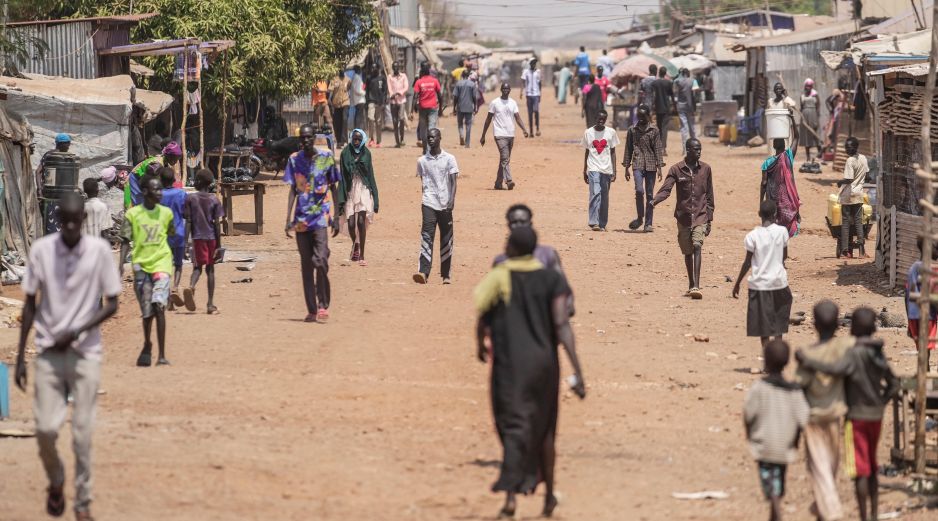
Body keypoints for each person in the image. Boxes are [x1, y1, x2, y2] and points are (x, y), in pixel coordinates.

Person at [13, 192, 120, 521]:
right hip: (47, 353)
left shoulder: (99, 252)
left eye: (77, 222)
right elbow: (30, 304)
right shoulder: (42, 251)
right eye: (66, 222)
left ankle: (83, 501)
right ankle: (57, 479)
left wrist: (75, 332)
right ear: (59, 221)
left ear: (84, 221)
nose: (72, 227)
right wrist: (19, 356)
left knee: (82, 433)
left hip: (85, 353)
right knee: (45, 429)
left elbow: (112, 303)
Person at [474, 225, 585, 519]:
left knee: (513, 427)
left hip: (511, 365)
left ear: (512, 248)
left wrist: (480, 344)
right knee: (546, 430)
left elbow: (481, 309)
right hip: (545, 364)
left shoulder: (500, 276)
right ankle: (548, 496)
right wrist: (578, 371)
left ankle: (511, 496)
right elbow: (562, 324)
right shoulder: (551, 279)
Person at [796, 308, 900, 521]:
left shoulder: (853, 354)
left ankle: (862, 515)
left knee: (860, 469)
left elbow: (835, 369)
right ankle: (872, 513)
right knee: (872, 464)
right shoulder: (876, 353)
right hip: (876, 416)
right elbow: (894, 383)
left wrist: (808, 360)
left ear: (852, 329)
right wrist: (881, 402)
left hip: (856, 416)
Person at [794, 300, 851, 521]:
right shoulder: (842, 349)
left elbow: (800, 387)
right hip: (836, 417)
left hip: (814, 420)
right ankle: (824, 507)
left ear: (814, 324)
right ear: (838, 325)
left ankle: (831, 511)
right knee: (831, 467)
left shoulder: (808, 355)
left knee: (819, 469)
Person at [743, 339, 810, 521]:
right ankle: (775, 511)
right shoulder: (795, 391)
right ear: (787, 362)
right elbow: (803, 419)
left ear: (765, 361)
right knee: (779, 480)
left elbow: (748, 414)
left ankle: (776, 511)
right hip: (785, 446)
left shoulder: (759, 388)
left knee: (770, 486)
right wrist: (796, 441)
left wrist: (749, 435)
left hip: (764, 445)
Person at [284, 124, 341, 323]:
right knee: (307, 265)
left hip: (321, 218)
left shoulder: (326, 158)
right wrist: (287, 219)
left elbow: (334, 187)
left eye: (309, 137)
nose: (306, 141)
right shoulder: (293, 160)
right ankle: (312, 309)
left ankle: (323, 304)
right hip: (301, 220)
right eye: (303, 138)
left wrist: (337, 217)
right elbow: (293, 190)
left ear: (314, 138)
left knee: (321, 260)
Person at [120, 176, 175, 367]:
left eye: (161, 189)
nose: (160, 193)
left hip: (162, 264)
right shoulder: (133, 215)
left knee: (159, 306)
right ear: (144, 192)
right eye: (156, 190)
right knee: (147, 311)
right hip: (141, 266)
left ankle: (161, 355)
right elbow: (126, 240)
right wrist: (120, 264)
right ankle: (147, 343)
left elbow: (170, 234)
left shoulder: (166, 213)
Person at [652, 138, 714, 299]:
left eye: (700, 149)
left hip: (701, 215)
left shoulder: (706, 169)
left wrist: (710, 219)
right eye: (696, 149)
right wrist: (654, 201)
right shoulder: (676, 170)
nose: (699, 152)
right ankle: (691, 283)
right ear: (688, 149)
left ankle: (696, 286)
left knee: (697, 245)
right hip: (683, 217)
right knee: (687, 252)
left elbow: (709, 196)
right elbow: (666, 190)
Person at [492, 204, 574, 316]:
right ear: (508, 225)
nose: (518, 226)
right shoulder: (501, 261)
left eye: (523, 222)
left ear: (530, 223)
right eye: (514, 222)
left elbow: (564, 290)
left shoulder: (547, 255)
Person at [732, 200, 792, 349]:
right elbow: (784, 256)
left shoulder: (752, 236)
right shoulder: (782, 232)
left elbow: (747, 262)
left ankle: (767, 359)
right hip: (779, 283)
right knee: (778, 327)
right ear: (775, 215)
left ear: (759, 214)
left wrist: (738, 283)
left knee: (763, 329)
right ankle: (777, 358)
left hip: (759, 286)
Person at [414, 128, 458, 285]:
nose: (430, 139)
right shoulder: (422, 161)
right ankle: (423, 272)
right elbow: (423, 182)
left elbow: (453, 182)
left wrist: (451, 200)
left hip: (445, 204)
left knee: (446, 239)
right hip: (428, 203)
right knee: (427, 236)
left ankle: (446, 274)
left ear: (440, 138)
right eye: (428, 137)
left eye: (433, 137)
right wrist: (426, 196)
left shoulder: (449, 159)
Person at [183, 169, 224, 314]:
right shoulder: (214, 200)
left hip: (197, 238)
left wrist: (184, 243)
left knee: (197, 267)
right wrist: (219, 246)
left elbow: (188, 221)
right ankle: (210, 304)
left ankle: (191, 286)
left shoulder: (191, 199)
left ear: (199, 182)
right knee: (210, 270)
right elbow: (217, 224)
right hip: (211, 238)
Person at [338, 129, 379, 267]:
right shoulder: (345, 153)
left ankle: (362, 254)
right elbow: (343, 176)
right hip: (350, 190)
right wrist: (340, 198)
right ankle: (355, 244)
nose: (356, 142)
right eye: (354, 139)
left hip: (363, 189)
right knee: (350, 224)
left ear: (363, 140)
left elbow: (371, 175)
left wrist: (376, 197)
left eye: (358, 140)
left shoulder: (367, 153)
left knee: (361, 221)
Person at [623, 104, 664, 233]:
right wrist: (626, 167)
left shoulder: (654, 130)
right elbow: (628, 148)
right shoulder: (632, 130)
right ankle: (640, 217)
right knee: (639, 191)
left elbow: (657, 149)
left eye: (643, 116)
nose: (640, 118)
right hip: (637, 163)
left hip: (651, 165)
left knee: (650, 194)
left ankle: (648, 223)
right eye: (638, 116)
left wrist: (659, 167)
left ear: (648, 116)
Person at [480, 82, 529, 191]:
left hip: (510, 134)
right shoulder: (495, 103)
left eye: (507, 89)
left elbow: (517, 117)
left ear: (510, 90)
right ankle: (509, 180)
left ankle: (498, 183)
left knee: (504, 159)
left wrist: (524, 129)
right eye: (504, 89)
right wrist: (483, 135)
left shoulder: (513, 103)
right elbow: (488, 119)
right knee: (505, 158)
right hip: (499, 134)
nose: (505, 90)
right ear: (501, 90)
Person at [580, 109, 619, 232]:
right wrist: (584, 170)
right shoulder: (588, 133)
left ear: (606, 119)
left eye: (603, 119)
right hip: (593, 168)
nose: (601, 121)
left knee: (604, 196)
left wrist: (615, 170)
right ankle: (593, 222)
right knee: (595, 193)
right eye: (599, 119)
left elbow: (613, 152)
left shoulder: (611, 132)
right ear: (595, 118)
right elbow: (587, 151)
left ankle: (602, 223)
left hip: (607, 169)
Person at [760, 125, 801, 238]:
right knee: (787, 222)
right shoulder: (788, 156)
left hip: (773, 199)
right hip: (787, 198)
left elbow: (764, 183)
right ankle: (783, 246)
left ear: (773, 146)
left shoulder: (767, 163)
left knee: (773, 223)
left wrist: (761, 202)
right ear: (784, 145)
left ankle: (774, 247)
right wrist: (792, 119)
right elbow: (797, 137)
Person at [157, 167, 188, 308]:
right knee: (178, 264)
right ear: (174, 180)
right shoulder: (181, 194)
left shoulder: (158, 195)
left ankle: (168, 295)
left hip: (163, 235)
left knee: (165, 265)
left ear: (160, 181)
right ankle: (176, 286)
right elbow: (185, 214)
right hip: (179, 232)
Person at [905, 236, 937, 368]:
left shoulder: (913, 268)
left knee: (922, 347)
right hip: (927, 315)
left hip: (913, 315)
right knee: (926, 348)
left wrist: (909, 318)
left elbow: (907, 295)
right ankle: (924, 375)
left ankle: (924, 371)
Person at [837, 137, 869, 258]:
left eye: (848, 147)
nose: (846, 149)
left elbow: (849, 179)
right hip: (859, 194)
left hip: (849, 195)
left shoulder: (850, 160)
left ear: (855, 147)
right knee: (858, 222)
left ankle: (845, 250)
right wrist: (860, 180)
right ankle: (861, 250)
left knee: (845, 222)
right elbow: (868, 175)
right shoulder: (863, 158)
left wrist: (840, 182)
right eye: (846, 147)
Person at [125, 141, 183, 208]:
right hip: (136, 179)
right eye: (175, 159)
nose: (176, 162)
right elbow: (147, 179)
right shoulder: (157, 165)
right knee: (138, 203)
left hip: (142, 180)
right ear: (169, 156)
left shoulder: (165, 164)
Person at [412, 62, 443, 152]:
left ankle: (425, 149)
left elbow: (415, 96)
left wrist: (412, 109)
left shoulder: (419, 82)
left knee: (423, 129)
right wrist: (440, 108)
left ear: (422, 72)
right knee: (431, 127)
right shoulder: (435, 81)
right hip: (433, 108)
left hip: (422, 108)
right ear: (429, 72)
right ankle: (429, 150)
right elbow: (440, 96)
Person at [651, 67, 676, 156]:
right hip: (666, 108)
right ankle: (663, 149)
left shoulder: (655, 83)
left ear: (659, 73)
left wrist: (652, 107)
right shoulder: (668, 83)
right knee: (664, 128)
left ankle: (658, 148)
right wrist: (675, 106)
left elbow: (653, 96)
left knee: (659, 128)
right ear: (665, 73)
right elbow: (672, 96)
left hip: (658, 108)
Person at [674, 68, 699, 153]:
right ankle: (695, 147)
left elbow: (675, 90)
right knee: (692, 127)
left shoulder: (678, 82)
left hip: (681, 106)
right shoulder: (693, 81)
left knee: (684, 128)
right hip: (690, 106)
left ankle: (685, 149)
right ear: (688, 74)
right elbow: (695, 94)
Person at [452, 69, 479, 148]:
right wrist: (475, 107)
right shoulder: (472, 84)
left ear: (462, 75)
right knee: (468, 125)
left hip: (460, 107)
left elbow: (455, 97)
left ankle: (461, 135)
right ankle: (467, 144)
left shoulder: (458, 83)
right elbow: (474, 97)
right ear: (468, 76)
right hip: (469, 107)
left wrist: (454, 107)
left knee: (460, 124)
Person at [365, 64, 388, 148]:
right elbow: (367, 90)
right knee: (371, 119)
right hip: (371, 101)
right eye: (372, 67)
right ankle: (371, 139)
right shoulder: (369, 78)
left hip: (379, 102)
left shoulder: (382, 78)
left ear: (378, 69)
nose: (373, 69)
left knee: (378, 122)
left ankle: (379, 141)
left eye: (374, 67)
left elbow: (385, 91)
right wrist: (366, 101)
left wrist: (384, 101)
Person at [388, 61, 409, 148]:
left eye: (397, 67)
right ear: (393, 68)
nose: (395, 68)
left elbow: (406, 87)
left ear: (399, 67)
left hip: (401, 101)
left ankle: (402, 138)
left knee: (401, 118)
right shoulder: (389, 77)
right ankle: (397, 141)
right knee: (395, 122)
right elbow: (389, 88)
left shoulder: (403, 76)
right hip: (393, 102)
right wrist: (392, 94)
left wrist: (399, 93)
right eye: (394, 67)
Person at [800, 79, 822, 162]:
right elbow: (801, 108)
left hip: (813, 115)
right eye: (807, 85)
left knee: (814, 134)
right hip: (805, 116)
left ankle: (820, 152)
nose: (808, 87)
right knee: (806, 137)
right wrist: (802, 119)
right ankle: (808, 156)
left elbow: (818, 105)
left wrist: (817, 117)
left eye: (809, 86)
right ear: (805, 86)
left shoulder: (815, 94)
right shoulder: (802, 95)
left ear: (812, 86)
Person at [521, 58, 542, 137]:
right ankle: (531, 131)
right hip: (528, 95)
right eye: (532, 63)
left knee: (536, 111)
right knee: (530, 113)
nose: (534, 65)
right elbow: (523, 81)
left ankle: (537, 128)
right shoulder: (526, 72)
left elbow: (540, 83)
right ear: (530, 64)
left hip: (536, 94)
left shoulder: (538, 72)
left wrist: (540, 94)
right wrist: (521, 92)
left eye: (535, 63)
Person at [329, 71, 351, 147]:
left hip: (345, 102)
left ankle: (344, 140)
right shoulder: (334, 80)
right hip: (336, 104)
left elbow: (349, 89)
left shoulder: (348, 79)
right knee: (337, 123)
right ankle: (339, 141)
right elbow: (330, 91)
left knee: (344, 119)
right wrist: (330, 102)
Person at [348, 65, 366, 133]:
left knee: (358, 114)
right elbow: (357, 90)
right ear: (358, 70)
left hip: (358, 100)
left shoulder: (355, 77)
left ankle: (357, 128)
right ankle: (358, 128)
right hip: (359, 100)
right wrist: (364, 92)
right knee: (359, 115)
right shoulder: (357, 78)